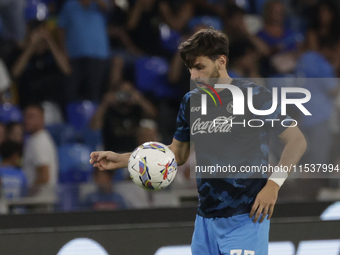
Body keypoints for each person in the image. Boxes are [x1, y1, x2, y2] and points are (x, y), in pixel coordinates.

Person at [89, 29, 307, 255]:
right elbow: (178, 154)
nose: (194, 76)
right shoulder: (190, 102)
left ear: (221, 61)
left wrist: (273, 185)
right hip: (205, 224)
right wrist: (126, 159)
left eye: (200, 67)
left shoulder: (254, 96)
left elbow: (297, 141)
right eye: (190, 68)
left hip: (245, 218)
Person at [22, 104, 58, 202]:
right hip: (41, 200)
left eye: (31, 116)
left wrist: (25, 193)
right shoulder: (36, 139)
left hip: (39, 201)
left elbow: (44, 176)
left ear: (42, 118)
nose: (27, 120)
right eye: (25, 116)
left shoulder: (39, 142)